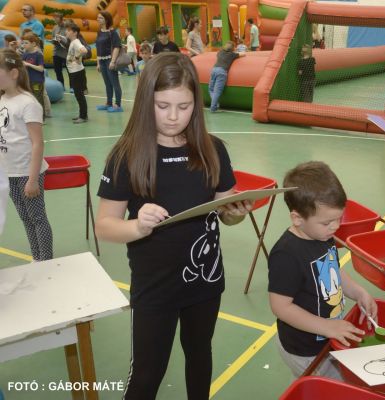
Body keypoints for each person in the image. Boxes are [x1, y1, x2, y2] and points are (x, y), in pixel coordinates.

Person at [95, 52, 252, 400]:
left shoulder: (213, 150)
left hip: (205, 283)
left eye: (184, 106)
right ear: (144, 102)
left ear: (196, 104)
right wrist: (138, 226)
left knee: (200, 357)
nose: (172, 116)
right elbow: (104, 226)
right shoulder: (126, 155)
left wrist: (237, 211)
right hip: (155, 288)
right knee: (147, 374)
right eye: (162, 105)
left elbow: (225, 212)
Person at [268, 161, 377, 379]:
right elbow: (281, 307)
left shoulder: (322, 234)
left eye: (339, 219)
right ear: (297, 218)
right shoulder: (286, 255)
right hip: (305, 350)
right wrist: (327, 326)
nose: (335, 227)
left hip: (328, 337)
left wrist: (358, 292)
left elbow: (331, 269)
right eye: (327, 222)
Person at [0, 49, 53, 261]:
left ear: (13, 73)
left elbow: (37, 143)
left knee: (37, 218)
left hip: (27, 172)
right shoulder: (3, 99)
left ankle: (45, 261)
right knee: (25, 218)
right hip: (10, 173)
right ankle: (37, 258)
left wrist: (32, 180)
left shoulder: (28, 103)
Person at [95, 11, 123, 113]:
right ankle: (109, 103)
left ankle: (118, 105)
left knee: (114, 83)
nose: (98, 19)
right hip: (102, 61)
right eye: (98, 17)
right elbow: (98, 48)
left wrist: (113, 61)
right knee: (107, 83)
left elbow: (117, 47)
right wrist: (98, 63)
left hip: (109, 60)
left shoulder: (113, 32)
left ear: (106, 20)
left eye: (100, 18)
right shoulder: (99, 32)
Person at [208, 41, 245, 113]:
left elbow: (218, 55)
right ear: (232, 48)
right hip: (222, 72)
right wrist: (237, 51)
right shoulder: (232, 55)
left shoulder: (220, 52)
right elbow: (243, 54)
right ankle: (213, 107)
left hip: (214, 70)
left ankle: (215, 104)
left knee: (211, 89)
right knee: (217, 91)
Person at [65, 22, 88, 124]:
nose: (66, 32)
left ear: (75, 33)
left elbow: (84, 50)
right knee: (78, 94)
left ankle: (83, 116)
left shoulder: (76, 42)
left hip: (77, 72)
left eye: (69, 30)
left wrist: (77, 57)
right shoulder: (73, 42)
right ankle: (82, 114)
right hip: (74, 71)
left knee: (79, 95)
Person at [20, 32, 45, 111]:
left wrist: (28, 64)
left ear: (33, 44)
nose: (24, 45)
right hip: (28, 80)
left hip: (37, 81)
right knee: (29, 98)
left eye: (26, 43)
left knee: (38, 99)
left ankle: (41, 115)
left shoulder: (38, 55)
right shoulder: (25, 54)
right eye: (23, 43)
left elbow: (41, 69)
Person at [51, 12, 69, 90]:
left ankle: (72, 87)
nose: (55, 19)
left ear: (61, 18)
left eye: (56, 17)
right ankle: (61, 86)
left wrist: (61, 40)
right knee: (57, 71)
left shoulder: (67, 27)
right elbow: (53, 37)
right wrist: (54, 41)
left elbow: (68, 39)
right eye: (54, 17)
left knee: (69, 70)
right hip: (56, 52)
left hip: (66, 52)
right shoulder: (55, 28)